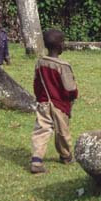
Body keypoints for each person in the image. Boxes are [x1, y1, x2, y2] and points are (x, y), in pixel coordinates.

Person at [30, 28, 78, 174]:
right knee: (62, 132)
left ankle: (36, 160)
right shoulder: (63, 66)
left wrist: (39, 98)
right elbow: (70, 88)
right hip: (60, 105)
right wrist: (73, 97)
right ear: (60, 45)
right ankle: (66, 156)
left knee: (41, 130)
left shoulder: (40, 63)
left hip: (43, 103)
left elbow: (36, 83)